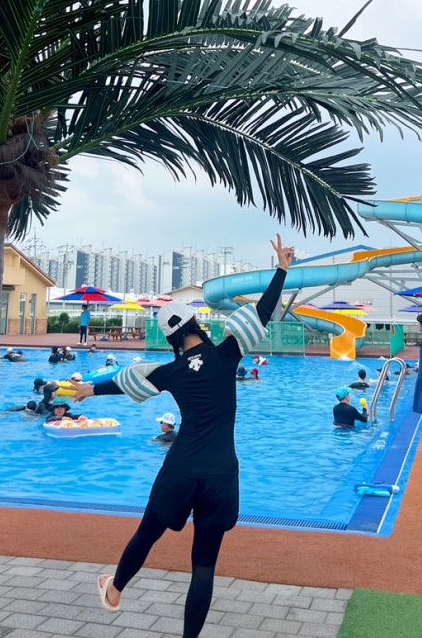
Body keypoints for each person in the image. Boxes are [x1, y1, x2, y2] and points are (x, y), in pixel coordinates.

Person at [74, 234, 294, 637]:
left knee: (147, 534)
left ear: (171, 338)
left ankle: (115, 589)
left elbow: (128, 383)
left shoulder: (171, 372)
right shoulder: (227, 353)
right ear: (196, 325)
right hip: (221, 475)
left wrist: (89, 390)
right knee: (204, 567)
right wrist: (281, 269)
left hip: (180, 470)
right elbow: (261, 313)